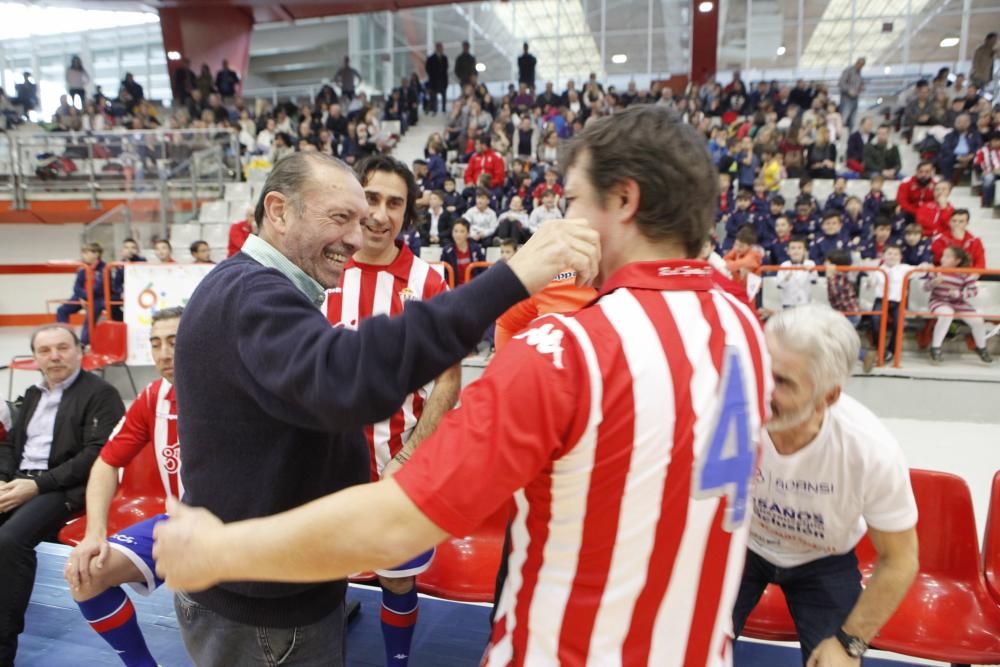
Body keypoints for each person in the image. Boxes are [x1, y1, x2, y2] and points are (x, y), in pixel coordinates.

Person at [154, 104, 772, 666]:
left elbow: (397, 524)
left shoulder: (567, 351)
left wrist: (219, 551)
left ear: (625, 200)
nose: (563, 217)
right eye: (342, 214)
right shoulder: (742, 324)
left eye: (575, 199)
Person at [161, 151, 598, 667]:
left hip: (282, 586)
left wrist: (409, 456)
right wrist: (513, 277)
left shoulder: (253, 287)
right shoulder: (252, 296)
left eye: (368, 215)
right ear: (277, 211)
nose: (357, 234)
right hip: (267, 614)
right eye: (341, 217)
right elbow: (349, 378)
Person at [323, 156, 460, 667]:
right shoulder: (323, 266)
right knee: (321, 569)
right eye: (371, 198)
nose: (379, 215)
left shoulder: (427, 283)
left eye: (394, 203)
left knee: (397, 576)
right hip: (324, 463)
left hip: (397, 464)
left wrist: (411, 454)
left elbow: (449, 378)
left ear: (408, 213)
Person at [732, 304, 918, 664]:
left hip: (823, 559)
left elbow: (900, 561)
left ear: (828, 396)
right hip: (744, 545)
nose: (762, 389)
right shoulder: (732, 413)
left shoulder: (870, 450)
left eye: (783, 382)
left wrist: (850, 643)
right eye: (761, 371)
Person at [63, 308, 183, 667]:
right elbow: (106, 463)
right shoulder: (153, 397)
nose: (163, 353)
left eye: (175, 342)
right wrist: (94, 533)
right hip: (179, 523)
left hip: (245, 526)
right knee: (86, 574)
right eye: (156, 344)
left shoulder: (238, 391)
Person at [0, 325, 125, 665]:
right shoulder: (34, 394)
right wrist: (3, 479)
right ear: (36, 358)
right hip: (20, 481)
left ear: (78, 350)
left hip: (65, 489)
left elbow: (96, 455)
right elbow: (11, 446)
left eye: (62, 348)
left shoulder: (102, 395)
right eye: (45, 350)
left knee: (10, 541)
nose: (54, 356)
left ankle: (3, 644)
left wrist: (38, 486)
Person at [924, 246, 993, 364]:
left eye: (948, 257)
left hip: (959, 303)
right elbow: (925, 288)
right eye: (943, 256)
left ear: (957, 261)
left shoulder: (965, 273)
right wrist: (933, 283)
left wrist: (959, 294)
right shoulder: (936, 271)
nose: (943, 259)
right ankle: (935, 348)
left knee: (977, 321)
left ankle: (981, 348)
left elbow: (973, 291)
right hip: (939, 301)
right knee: (947, 314)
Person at [56, 242, 106, 347]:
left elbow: (99, 288)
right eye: (83, 253)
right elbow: (76, 287)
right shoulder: (82, 268)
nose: (84, 255)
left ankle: (84, 343)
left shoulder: (104, 268)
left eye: (87, 252)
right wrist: (83, 297)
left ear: (96, 254)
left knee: (90, 317)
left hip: (98, 298)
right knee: (62, 310)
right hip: (81, 297)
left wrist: (87, 297)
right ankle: (66, 336)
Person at [937, 113, 982, 183]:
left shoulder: (975, 134)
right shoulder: (950, 135)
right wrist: (957, 157)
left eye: (964, 122)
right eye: (959, 122)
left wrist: (972, 155)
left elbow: (979, 146)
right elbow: (945, 148)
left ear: (969, 123)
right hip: (954, 156)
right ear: (955, 124)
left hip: (971, 155)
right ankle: (947, 181)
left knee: (979, 160)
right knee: (945, 160)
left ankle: (978, 183)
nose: (961, 124)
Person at [110, 238, 147, 321]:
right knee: (112, 301)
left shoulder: (143, 261)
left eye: (133, 248)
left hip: (141, 291)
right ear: (122, 251)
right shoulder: (119, 265)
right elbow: (116, 284)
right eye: (126, 248)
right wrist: (121, 292)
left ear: (137, 250)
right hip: (126, 292)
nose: (130, 250)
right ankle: (122, 321)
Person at [440, 219, 485, 286]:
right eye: (455, 231)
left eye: (462, 231)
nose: (458, 234)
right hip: (455, 290)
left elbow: (483, 269)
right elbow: (443, 272)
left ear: (468, 233)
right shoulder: (447, 251)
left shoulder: (476, 248)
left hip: (474, 288)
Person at [776, 237, 817, 308]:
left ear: (804, 251)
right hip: (788, 302)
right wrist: (787, 278)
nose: (796, 251)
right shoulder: (784, 265)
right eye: (793, 248)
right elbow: (779, 285)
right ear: (788, 251)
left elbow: (814, 281)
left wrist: (810, 271)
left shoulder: (810, 263)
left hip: (805, 302)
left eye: (799, 248)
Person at [974, 131, 1000, 207]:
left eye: (998, 140)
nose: (997, 142)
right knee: (989, 178)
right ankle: (987, 203)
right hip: (988, 173)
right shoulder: (983, 150)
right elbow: (976, 164)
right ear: (990, 141)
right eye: (995, 140)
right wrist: (983, 172)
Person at [838, 58, 866, 130]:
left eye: (863, 66)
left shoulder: (859, 73)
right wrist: (849, 90)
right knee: (843, 119)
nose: (861, 67)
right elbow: (841, 83)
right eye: (861, 65)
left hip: (855, 99)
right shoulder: (848, 71)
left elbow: (861, 84)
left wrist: (861, 87)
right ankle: (840, 136)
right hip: (846, 99)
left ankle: (850, 139)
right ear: (857, 63)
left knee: (852, 121)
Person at [425, 42, 449, 114]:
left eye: (441, 47)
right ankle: (434, 110)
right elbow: (428, 69)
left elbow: (445, 70)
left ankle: (444, 110)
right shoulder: (431, 58)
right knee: (433, 96)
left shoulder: (444, 58)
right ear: (436, 48)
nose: (440, 49)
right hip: (434, 81)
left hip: (443, 81)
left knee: (444, 96)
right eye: (439, 47)